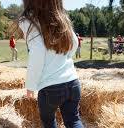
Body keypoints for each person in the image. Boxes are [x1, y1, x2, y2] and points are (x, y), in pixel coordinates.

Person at [18, 0, 84, 128]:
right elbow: (74, 42)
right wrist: (67, 59)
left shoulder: (30, 21)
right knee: (73, 120)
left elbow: (37, 55)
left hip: (50, 88)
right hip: (73, 83)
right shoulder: (61, 17)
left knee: (48, 122)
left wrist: (30, 85)